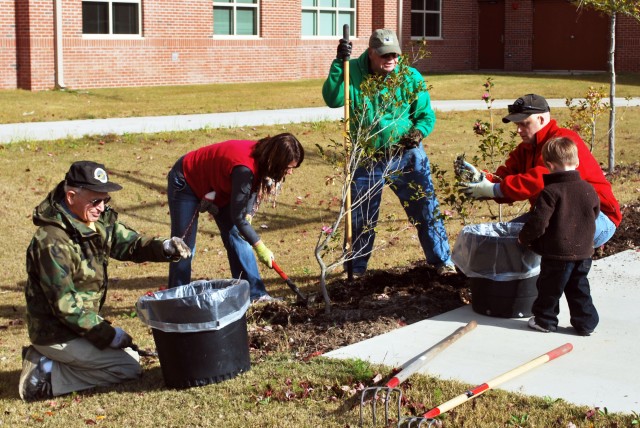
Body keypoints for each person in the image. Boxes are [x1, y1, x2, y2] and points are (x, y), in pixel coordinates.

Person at [20, 161, 191, 402]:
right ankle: (44, 376)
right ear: (71, 196)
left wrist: (164, 247)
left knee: (131, 356)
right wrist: (107, 334)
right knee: (127, 368)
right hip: (56, 332)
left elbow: (130, 244)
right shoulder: (52, 241)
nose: (101, 208)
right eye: (95, 201)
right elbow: (65, 306)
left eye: (105, 201)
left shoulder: (92, 219)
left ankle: (50, 362)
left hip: (77, 324)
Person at [321, 29, 456, 277]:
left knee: (426, 208)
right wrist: (339, 64)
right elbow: (333, 98)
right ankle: (356, 271)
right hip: (368, 157)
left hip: (407, 155)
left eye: (394, 54)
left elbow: (426, 115)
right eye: (384, 55)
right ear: (371, 53)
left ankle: (441, 262)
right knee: (361, 217)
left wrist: (417, 133)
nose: (390, 59)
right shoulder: (353, 72)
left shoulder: (410, 76)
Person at [459, 93, 621, 248]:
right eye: (517, 125)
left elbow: (541, 180)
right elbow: (505, 176)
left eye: (524, 124)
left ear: (541, 119)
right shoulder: (526, 149)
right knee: (506, 241)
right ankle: (526, 276)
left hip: (598, 217)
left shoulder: (563, 143)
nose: (518, 130)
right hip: (556, 214)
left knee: (543, 238)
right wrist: (483, 180)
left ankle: (556, 275)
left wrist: (495, 190)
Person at [167, 133, 304, 301]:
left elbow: (254, 184)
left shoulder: (263, 156)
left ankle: (254, 294)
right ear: (276, 160)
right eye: (288, 167)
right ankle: (176, 300)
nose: (290, 172)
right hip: (187, 180)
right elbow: (238, 214)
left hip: (217, 184)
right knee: (184, 247)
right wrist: (260, 247)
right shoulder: (244, 168)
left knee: (238, 236)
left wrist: (248, 213)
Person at [518, 137, 600, 336]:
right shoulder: (588, 189)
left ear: (550, 165)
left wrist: (525, 237)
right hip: (583, 253)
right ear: (577, 162)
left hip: (557, 254)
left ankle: (545, 321)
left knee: (549, 289)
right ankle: (586, 323)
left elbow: (539, 222)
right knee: (579, 288)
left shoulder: (551, 192)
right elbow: (595, 213)